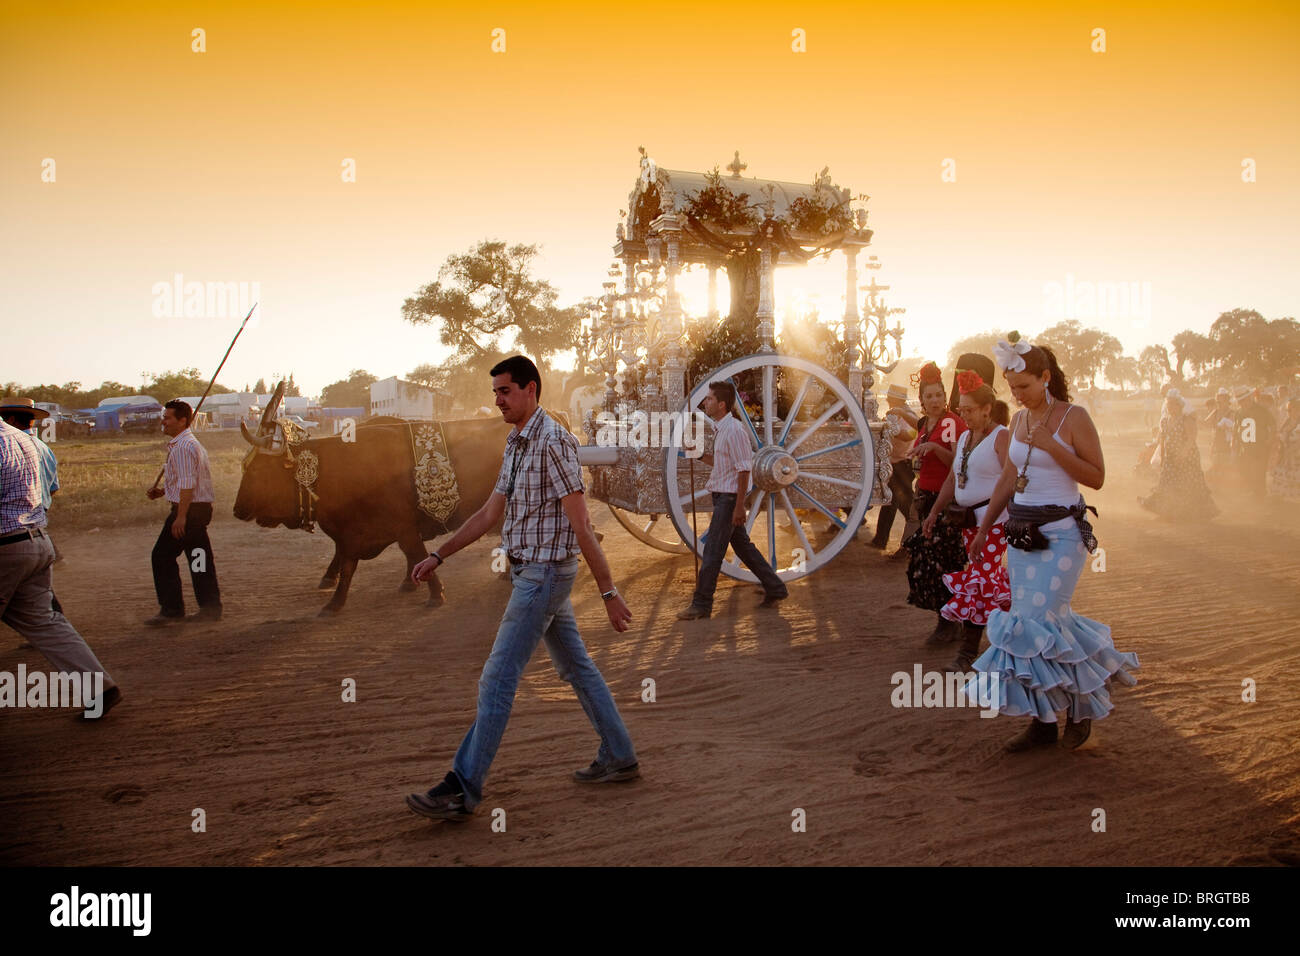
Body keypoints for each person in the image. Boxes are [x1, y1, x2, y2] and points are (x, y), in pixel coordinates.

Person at [405, 355, 638, 822]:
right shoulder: (516, 442)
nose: (498, 401)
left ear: (531, 389)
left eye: (505, 391)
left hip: (545, 576)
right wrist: (438, 554)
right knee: (578, 669)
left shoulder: (554, 443)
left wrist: (610, 592)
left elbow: (584, 526)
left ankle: (462, 787)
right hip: (532, 574)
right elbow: (489, 514)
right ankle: (619, 755)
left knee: (497, 677)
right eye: (495, 393)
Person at [968, 333, 1138, 752]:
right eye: (1013, 389)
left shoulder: (1073, 417)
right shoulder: (1020, 421)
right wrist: (986, 527)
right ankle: (1044, 722)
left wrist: (1051, 447)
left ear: (1045, 377)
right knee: (1037, 624)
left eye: (1024, 387)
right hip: (1022, 535)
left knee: (1037, 622)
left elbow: (1096, 477)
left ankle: (1076, 710)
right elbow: (1009, 479)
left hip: (1063, 535)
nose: (1019, 395)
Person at [1, 417, 121, 719]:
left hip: (5, 547)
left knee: (45, 622)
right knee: (45, 622)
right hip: (37, 541)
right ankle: (100, 688)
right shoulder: (24, 439)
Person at [921, 371, 1011, 672]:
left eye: (969, 410)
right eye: (960, 409)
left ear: (987, 409)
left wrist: (985, 531)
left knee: (980, 582)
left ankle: (967, 653)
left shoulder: (1001, 437)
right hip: (968, 523)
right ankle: (1019, 636)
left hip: (994, 524)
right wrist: (934, 512)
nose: (964, 414)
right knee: (989, 582)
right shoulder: (963, 438)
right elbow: (952, 479)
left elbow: (1011, 482)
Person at [677, 381, 788, 620]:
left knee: (713, 551)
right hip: (724, 497)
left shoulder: (735, 430)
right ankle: (776, 587)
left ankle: (702, 603)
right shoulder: (722, 429)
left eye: (709, 399)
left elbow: (744, 469)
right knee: (743, 548)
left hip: (729, 499)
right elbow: (722, 463)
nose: (705, 403)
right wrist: (696, 454)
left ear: (721, 404)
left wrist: (739, 506)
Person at [901, 362, 968, 643]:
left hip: (946, 500)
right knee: (929, 561)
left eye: (939, 395)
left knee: (941, 562)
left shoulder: (951, 422)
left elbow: (958, 461)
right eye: (929, 396)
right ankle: (950, 619)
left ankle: (950, 622)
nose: (935, 400)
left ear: (945, 396)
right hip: (927, 497)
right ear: (922, 400)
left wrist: (932, 448)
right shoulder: (924, 424)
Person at [145, 399, 222, 625]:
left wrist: (180, 516)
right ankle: (210, 608)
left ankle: (172, 610)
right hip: (197, 509)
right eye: (164, 417)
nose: (164, 422)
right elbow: (187, 482)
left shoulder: (183, 447)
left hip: (188, 511)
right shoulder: (188, 444)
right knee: (199, 558)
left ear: (182, 421)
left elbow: (188, 484)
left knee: (162, 556)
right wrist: (163, 492)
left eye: (168, 418)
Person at [1138, 389, 1217, 519]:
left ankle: (1190, 513)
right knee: (1167, 483)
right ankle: (1167, 510)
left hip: (1188, 457)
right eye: (1168, 404)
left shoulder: (1187, 420)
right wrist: (1163, 456)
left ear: (1179, 405)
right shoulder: (1165, 421)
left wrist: (1183, 454)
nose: (1169, 407)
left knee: (1189, 483)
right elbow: (1163, 441)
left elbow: (1191, 439)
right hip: (1170, 457)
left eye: (1172, 404)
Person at [0, 399, 62, 565]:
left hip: (11, 523)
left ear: (11, 420)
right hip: (38, 513)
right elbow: (53, 486)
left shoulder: (6, 445)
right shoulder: (43, 447)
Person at [869, 384, 918, 552]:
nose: (888, 400)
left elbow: (909, 436)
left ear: (896, 400)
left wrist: (889, 430)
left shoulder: (907, 416)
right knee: (890, 501)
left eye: (890, 397)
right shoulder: (897, 414)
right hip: (895, 464)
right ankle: (880, 540)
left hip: (902, 465)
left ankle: (916, 536)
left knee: (906, 505)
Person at [1234, 388, 1277, 497]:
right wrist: (1235, 443)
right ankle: (1252, 490)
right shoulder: (1239, 412)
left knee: (1259, 471)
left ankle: (1260, 494)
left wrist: (1270, 440)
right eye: (1240, 401)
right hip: (1245, 446)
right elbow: (1237, 428)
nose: (1242, 403)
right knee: (1246, 469)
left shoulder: (1261, 409)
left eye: (1244, 400)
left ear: (1249, 398)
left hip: (1260, 445)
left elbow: (1272, 424)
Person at [1204, 388, 1236, 485]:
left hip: (1226, 441)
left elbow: (1232, 426)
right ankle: (1216, 484)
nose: (1220, 403)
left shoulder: (1232, 412)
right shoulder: (1215, 412)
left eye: (1222, 401)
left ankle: (1225, 484)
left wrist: (1225, 425)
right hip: (1216, 440)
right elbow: (1206, 423)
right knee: (1215, 462)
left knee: (1225, 463)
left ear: (1227, 400)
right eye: (1218, 401)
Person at [1270, 399, 1300, 500]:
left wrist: (1290, 451)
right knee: (1284, 480)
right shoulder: (1287, 422)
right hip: (1285, 456)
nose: (1288, 412)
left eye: (1290, 410)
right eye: (1287, 410)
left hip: (1296, 457)